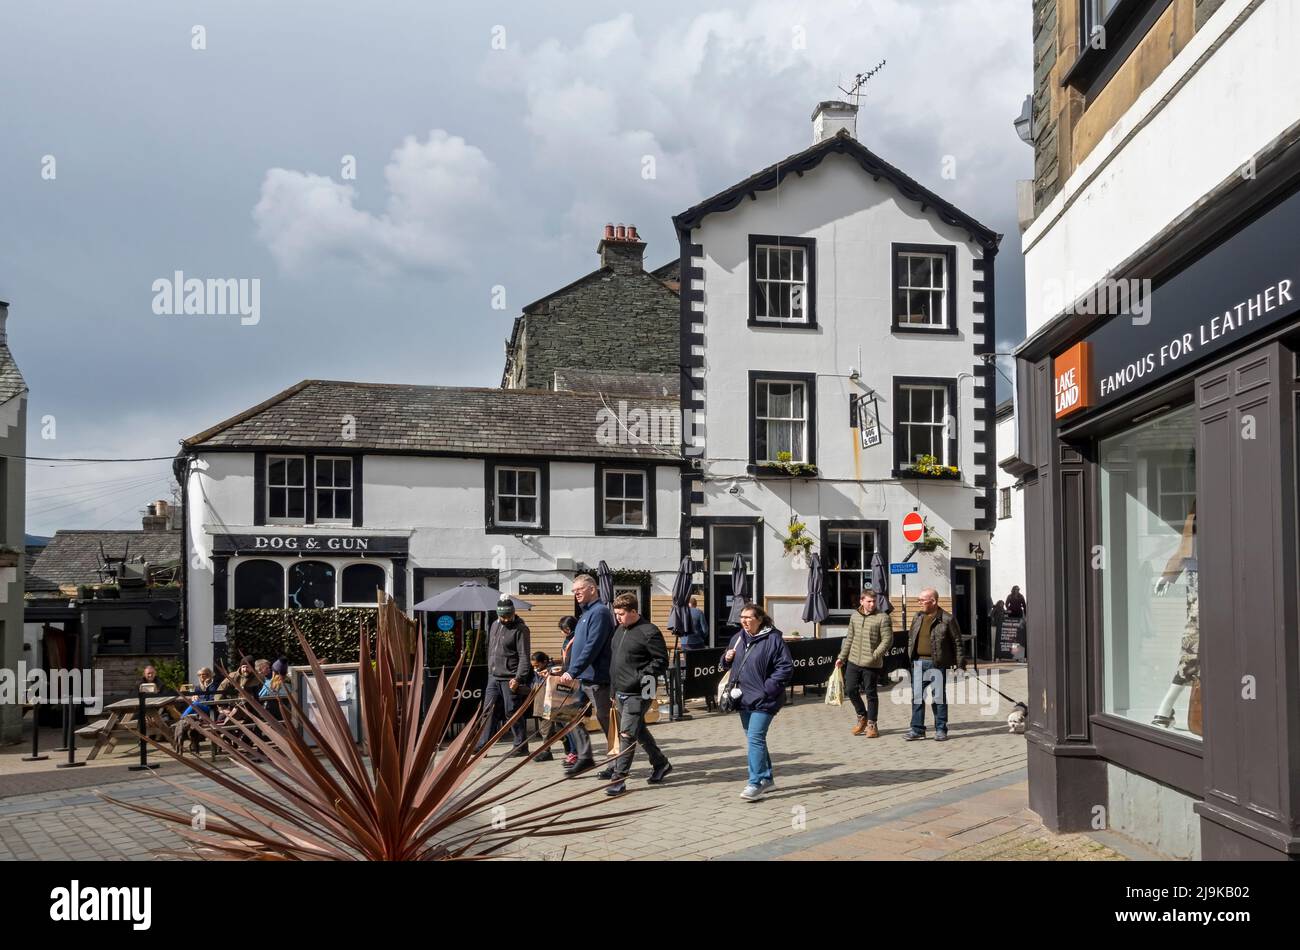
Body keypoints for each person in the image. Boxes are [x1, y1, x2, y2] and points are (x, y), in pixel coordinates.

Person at [719, 603, 793, 801]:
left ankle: (755, 782)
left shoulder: (773, 639)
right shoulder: (737, 638)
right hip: (742, 697)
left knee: (755, 738)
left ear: (760, 619)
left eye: (748, 617)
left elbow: (785, 668)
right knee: (754, 738)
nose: (744, 621)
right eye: (742, 617)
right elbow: (724, 663)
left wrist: (768, 689)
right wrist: (726, 659)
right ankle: (767, 779)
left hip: (765, 699)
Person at [605, 593, 671, 796]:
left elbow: (661, 661)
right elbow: (616, 662)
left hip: (640, 691)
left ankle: (619, 779)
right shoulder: (620, 630)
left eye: (621, 614)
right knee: (637, 729)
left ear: (634, 611)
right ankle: (661, 763)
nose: (618, 617)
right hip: (621, 691)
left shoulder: (649, 631)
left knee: (627, 734)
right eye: (616, 614)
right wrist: (613, 689)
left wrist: (639, 677)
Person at [559, 574, 615, 778]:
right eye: (574, 591)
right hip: (581, 678)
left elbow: (592, 647)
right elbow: (579, 646)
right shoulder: (584, 615)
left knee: (606, 720)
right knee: (567, 714)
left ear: (593, 588)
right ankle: (585, 757)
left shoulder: (599, 612)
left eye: (579, 589)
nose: (576, 594)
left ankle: (617, 763)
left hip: (597, 678)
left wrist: (572, 671)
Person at [906, 588, 966, 742]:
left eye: (922, 600)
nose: (919, 603)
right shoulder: (917, 616)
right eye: (918, 600)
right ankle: (917, 729)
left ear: (933, 601)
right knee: (917, 697)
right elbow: (911, 638)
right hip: (918, 662)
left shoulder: (947, 619)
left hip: (937, 664)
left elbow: (957, 643)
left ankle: (941, 728)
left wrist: (960, 665)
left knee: (938, 697)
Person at [476, 595, 532, 756]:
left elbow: (524, 656)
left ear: (513, 612)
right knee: (488, 711)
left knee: (512, 711)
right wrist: (489, 670)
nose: (506, 619)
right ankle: (482, 746)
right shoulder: (494, 624)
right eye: (502, 616)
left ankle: (521, 746)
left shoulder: (521, 629)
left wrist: (519, 678)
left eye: (508, 616)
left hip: (510, 677)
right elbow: (491, 649)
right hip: (493, 676)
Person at [835, 588, 892, 738]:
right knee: (851, 689)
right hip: (854, 660)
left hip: (871, 663)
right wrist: (842, 657)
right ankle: (862, 716)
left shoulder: (882, 617)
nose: (872, 604)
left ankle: (872, 724)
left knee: (871, 693)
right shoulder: (855, 616)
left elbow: (887, 640)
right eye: (869, 601)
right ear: (862, 601)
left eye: (874, 601)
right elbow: (849, 638)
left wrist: (876, 655)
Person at [173, 667, 219, 754]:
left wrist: (206, 687)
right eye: (200, 675)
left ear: (209, 675)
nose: (201, 677)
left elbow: (212, 700)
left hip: (209, 709)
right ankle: (184, 720)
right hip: (199, 710)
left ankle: (182, 718)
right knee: (194, 704)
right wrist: (194, 697)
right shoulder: (198, 687)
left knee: (195, 704)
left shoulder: (213, 685)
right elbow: (196, 697)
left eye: (204, 675)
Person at [556, 616, 579, 765]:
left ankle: (575, 752)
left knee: (570, 719)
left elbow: (576, 662)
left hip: (574, 682)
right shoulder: (567, 641)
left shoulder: (577, 640)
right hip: (565, 680)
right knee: (563, 719)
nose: (563, 632)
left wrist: (567, 671)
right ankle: (571, 750)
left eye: (563, 630)